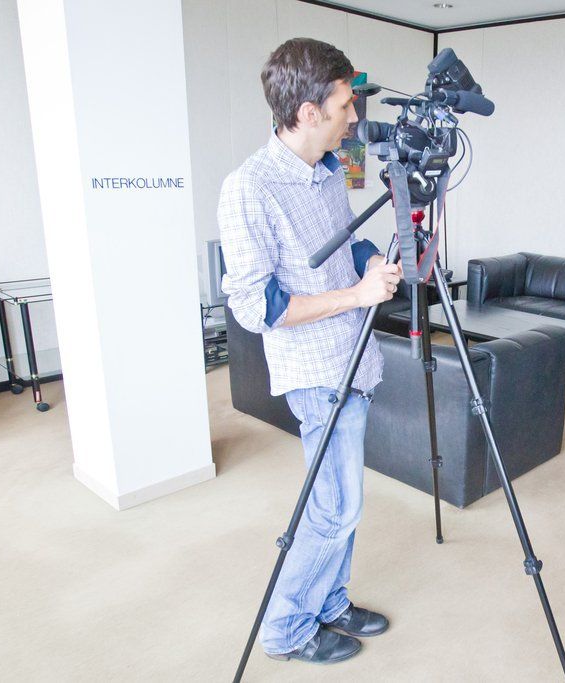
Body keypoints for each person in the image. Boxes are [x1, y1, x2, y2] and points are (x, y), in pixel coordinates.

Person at [219, 38, 402, 663]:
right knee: (333, 509)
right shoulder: (250, 187)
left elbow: (342, 246)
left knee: (342, 503)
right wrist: (356, 295)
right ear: (307, 111)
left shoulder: (326, 172)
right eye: (345, 105)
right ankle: (287, 630)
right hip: (316, 370)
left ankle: (330, 603)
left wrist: (368, 261)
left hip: (354, 360)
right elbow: (256, 306)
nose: (354, 117)